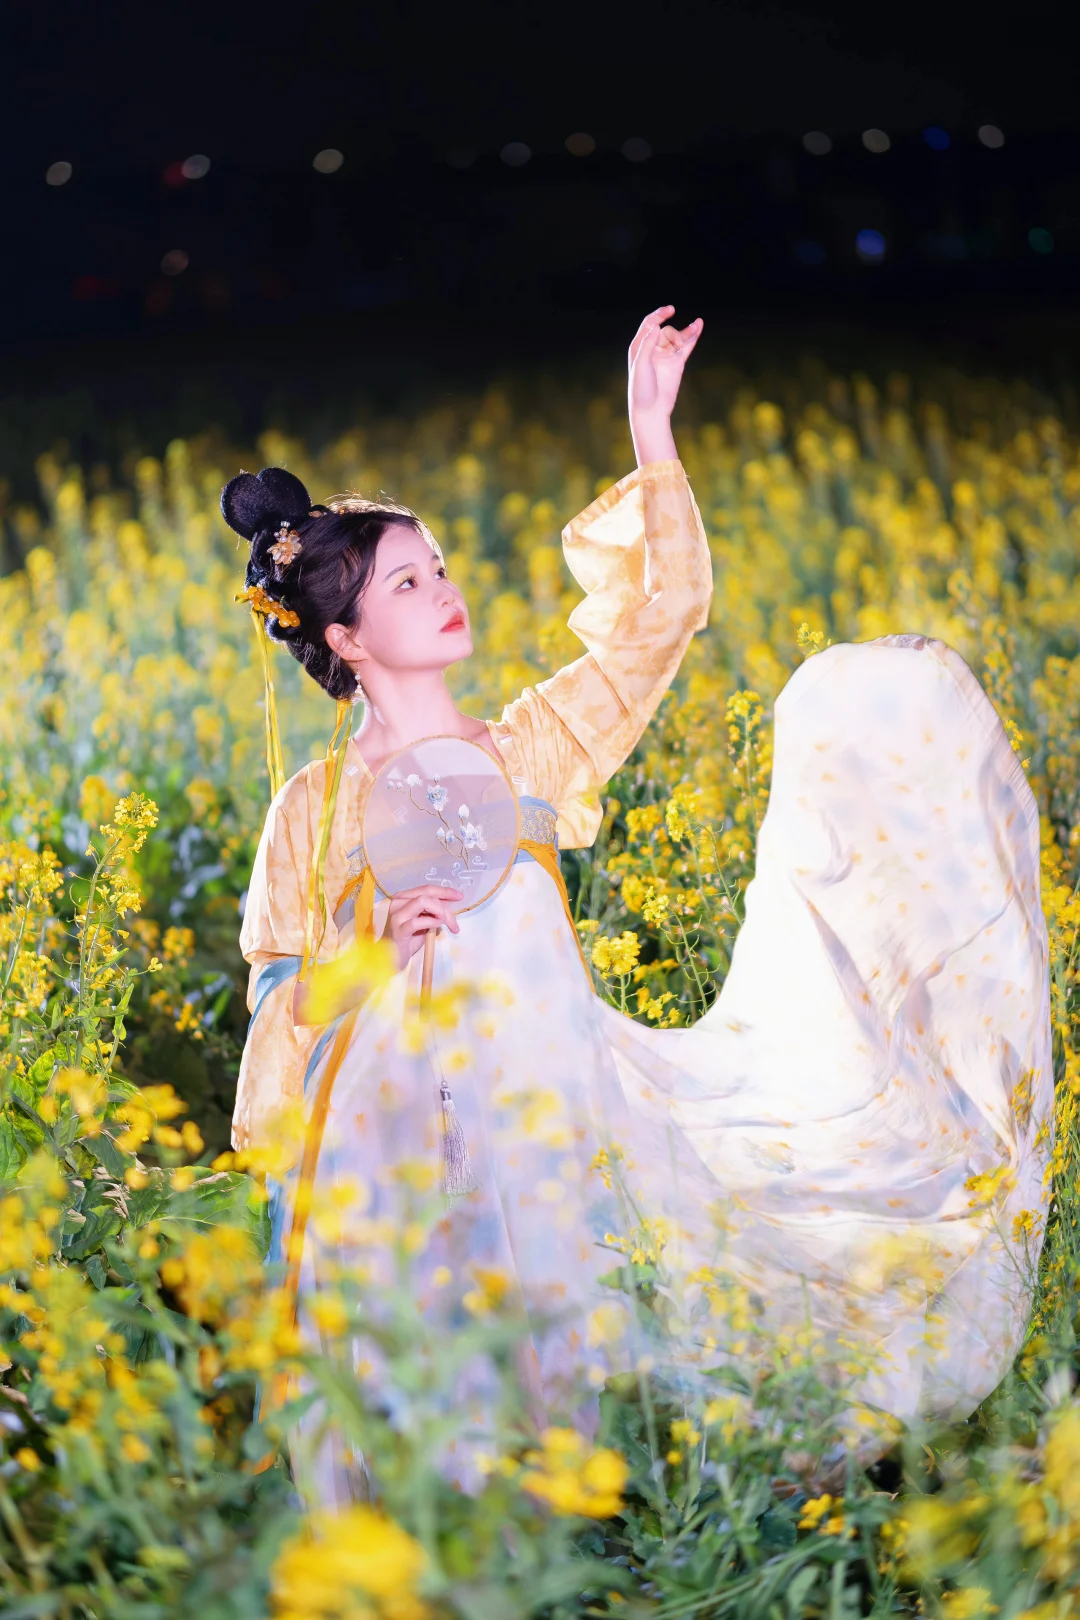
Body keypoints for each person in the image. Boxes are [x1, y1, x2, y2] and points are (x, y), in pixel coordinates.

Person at [223, 308, 1052, 1508]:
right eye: (408, 581)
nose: (446, 590)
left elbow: (657, 622)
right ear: (347, 636)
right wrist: (369, 951)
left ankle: (586, 1528)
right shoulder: (310, 810)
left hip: (548, 1131)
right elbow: (277, 1006)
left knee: (574, 1366)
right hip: (393, 1159)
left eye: (440, 565)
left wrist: (651, 430)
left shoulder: (530, 748)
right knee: (422, 1425)